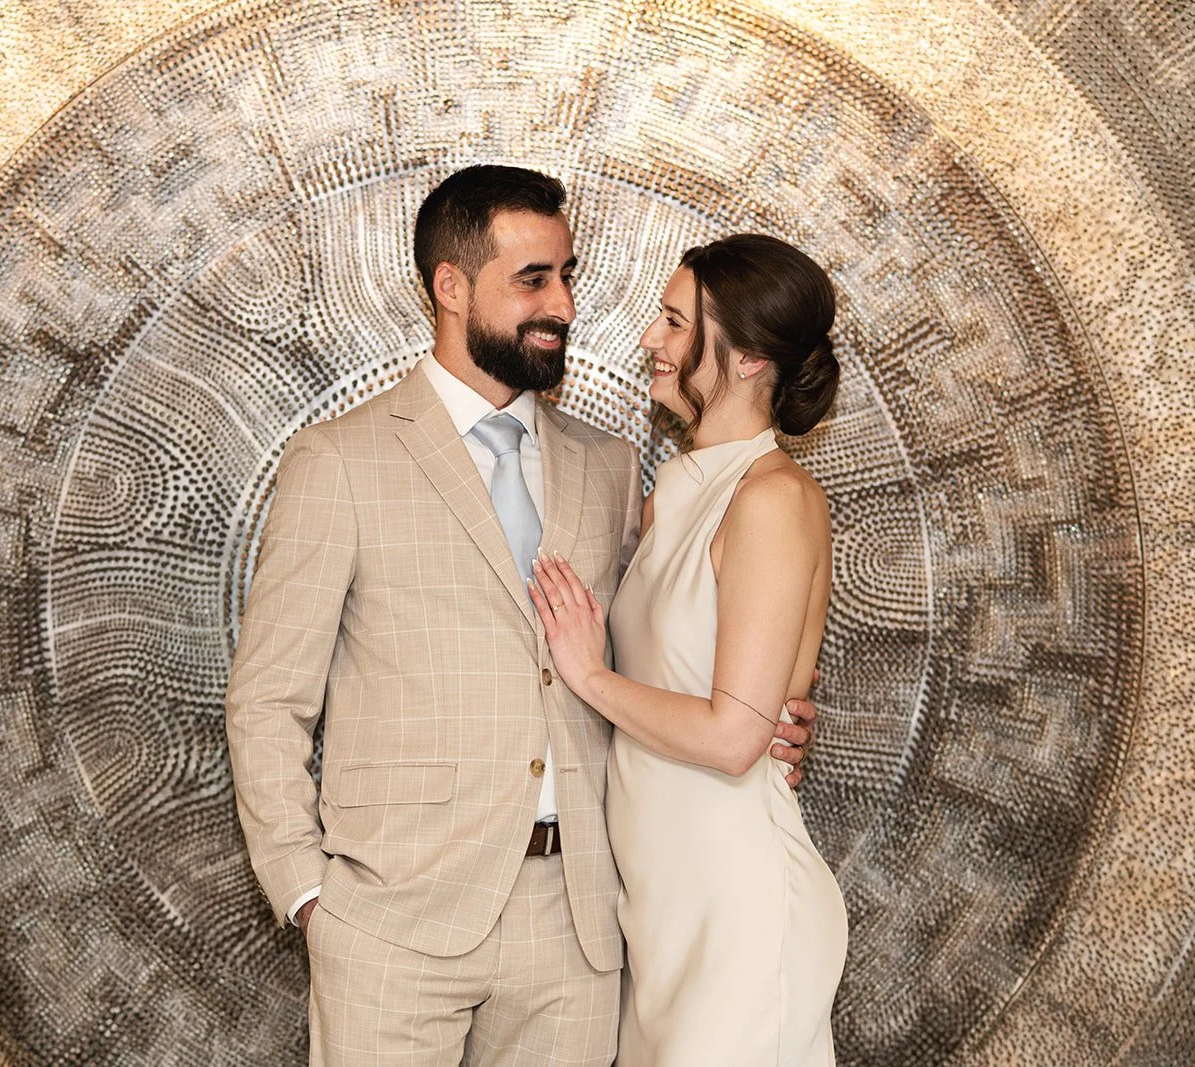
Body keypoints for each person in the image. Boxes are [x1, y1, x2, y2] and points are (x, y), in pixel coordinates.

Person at [226, 167, 817, 1065]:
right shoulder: (338, 460)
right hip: (391, 922)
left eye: (568, 274)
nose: (566, 305)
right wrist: (309, 891)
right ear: (451, 287)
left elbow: (659, 646)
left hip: (578, 927)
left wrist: (773, 712)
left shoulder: (613, 467)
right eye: (534, 279)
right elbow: (270, 698)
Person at [527, 234, 847, 1065]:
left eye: (675, 321)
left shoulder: (774, 497)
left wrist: (589, 674)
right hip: (662, 912)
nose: (650, 340)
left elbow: (736, 737)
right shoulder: (672, 489)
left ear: (745, 358)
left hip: (736, 912)